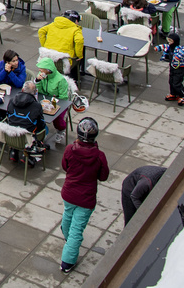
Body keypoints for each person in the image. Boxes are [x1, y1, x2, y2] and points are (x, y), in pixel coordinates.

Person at [59, 117, 110, 273]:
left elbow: (65, 166)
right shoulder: (99, 156)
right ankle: (67, 262)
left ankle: (69, 241)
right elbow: (103, 176)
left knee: (68, 217)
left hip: (69, 193)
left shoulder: (69, 149)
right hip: (86, 198)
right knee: (77, 230)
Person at [3, 81, 47, 162]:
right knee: (42, 128)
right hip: (27, 137)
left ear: (22, 90)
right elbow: (41, 124)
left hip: (10, 136)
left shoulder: (12, 100)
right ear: (34, 93)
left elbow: (8, 115)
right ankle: (27, 153)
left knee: (15, 123)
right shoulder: (37, 106)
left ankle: (14, 151)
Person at [39, 10, 86, 78]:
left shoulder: (53, 24)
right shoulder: (75, 29)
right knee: (77, 60)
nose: (78, 23)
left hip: (48, 60)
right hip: (63, 63)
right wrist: (79, 55)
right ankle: (75, 79)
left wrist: (44, 47)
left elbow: (41, 31)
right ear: (75, 20)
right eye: (78, 21)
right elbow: (79, 40)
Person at [34, 57, 71, 141]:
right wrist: (38, 81)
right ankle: (41, 131)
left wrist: (53, 102)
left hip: (57, 102)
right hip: (44, 100)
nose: (40, 70)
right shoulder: (41, 75)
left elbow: (63, 97)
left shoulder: (60, 80)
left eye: (42, 69)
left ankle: (61, 130)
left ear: (48, 70)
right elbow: (38, 91)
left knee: (57, 119)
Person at [158, 30, 184, 104]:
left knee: (177, 83)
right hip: (172, 68)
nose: (169, 42)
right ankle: (173, 94)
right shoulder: (170, 47)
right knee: (171, 81)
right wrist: (158, 48)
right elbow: (164, 47)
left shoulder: (179, 49)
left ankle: (183, 95)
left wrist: (178, 56)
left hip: (179, 69)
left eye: (170, 40)